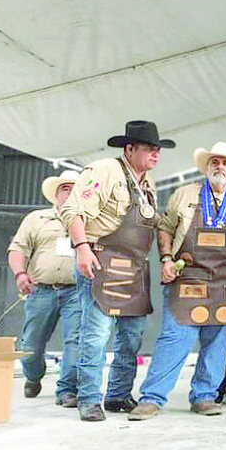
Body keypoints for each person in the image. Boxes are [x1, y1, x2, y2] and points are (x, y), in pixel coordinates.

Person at [127, 142, 226, 421]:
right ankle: (152, 398)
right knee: (175, 338)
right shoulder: (184, 194)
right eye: (214, 161)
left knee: (218, 342)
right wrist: (166, 258)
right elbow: (165, 227)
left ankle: (204, 396)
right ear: (206, 166)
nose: (219, 167)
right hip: (188, 276)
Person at [61, 120, 173, 422]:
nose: (155, 154)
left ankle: (118, 394)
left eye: (157, 149)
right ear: (129, 148)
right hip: (100, 260)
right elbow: (72, 210)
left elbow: (154, 222)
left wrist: (168, 254)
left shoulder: (149, 183)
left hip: (135, 268)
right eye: (149, 148)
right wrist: (82, 247)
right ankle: (88, 398)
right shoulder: (103, 171)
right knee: (96, 336)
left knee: (131, 338)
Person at [8, 170, 81, 407]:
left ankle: (67, 390)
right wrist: (20, 273)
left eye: (74, 188)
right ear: (56, 194)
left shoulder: (91, 220)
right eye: (65, 188)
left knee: (75, 341)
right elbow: (18, 249)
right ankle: (33, 375)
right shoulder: (36, 218)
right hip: (41, 290)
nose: (69, 193)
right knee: (30, 344)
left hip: (77, 291)